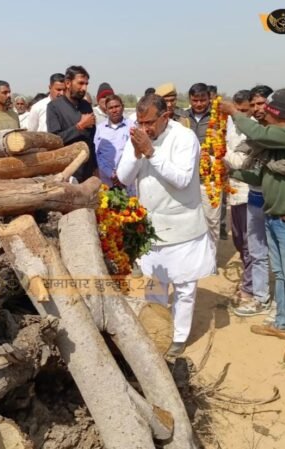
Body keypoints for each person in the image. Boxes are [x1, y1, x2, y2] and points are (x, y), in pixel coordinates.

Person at [223, 89, 285, 364]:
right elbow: (263, 174)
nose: (263, 114)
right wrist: (231, 171)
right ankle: (281, 323)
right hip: (275, 216)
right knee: (280, 273)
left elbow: (261, 135)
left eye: (267, 111)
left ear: (277, 113)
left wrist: (234, 113)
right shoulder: (282, 144)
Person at [117, 94, 215, 358]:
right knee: (155, 285)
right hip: (152, 227)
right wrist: (137, 154)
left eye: (149, 122)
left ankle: (179, 337)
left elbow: (182, 180)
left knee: (184, 287)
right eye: (140, 121)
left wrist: (151, 152)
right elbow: (124, 177)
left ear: (164, 117)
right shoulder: (137, 136)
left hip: (183, 226)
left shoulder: (184, 138)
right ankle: (158, 331)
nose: (144, 128)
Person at [226, 85, 274, 318]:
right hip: (240, 192)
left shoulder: (265, 131)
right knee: (243, 242)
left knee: (253, 245)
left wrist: (223, 156)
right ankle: (253, 287)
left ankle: (252, 289)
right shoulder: (234, 124)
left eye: (256, 105)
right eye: (248, 107)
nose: (253, 111)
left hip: (256, 193)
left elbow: (243, 163)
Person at [46, 65, 98, 181]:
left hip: (87, 170)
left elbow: (91, 140)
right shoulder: (54, 107)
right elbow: (55, 140)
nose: (84, 88)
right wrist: (79, 127)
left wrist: (95, 167)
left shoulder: (86, 106)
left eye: (86, 84)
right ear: (68, 83)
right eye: (80, 83)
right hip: (66, 172)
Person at [187, 82, 222, 242]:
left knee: (211, 221)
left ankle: (211, 262)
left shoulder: (219, 117)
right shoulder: (183, 118)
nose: (199, 104)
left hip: (211, 179)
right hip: (188, 179)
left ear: (209, 99)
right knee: (190, 222)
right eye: (195, 100)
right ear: (190, 100)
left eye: (202, 100)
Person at [94, 94, 133, 193]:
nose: (114, 110)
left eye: (117, 106)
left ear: (122, 107)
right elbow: (97, 155)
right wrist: (111, 174)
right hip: (107, 182)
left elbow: (135, 154)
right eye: (110, 108)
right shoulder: (100, 129)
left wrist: (122, 175)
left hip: (128, 181)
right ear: (106, 111)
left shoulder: (132, 126)